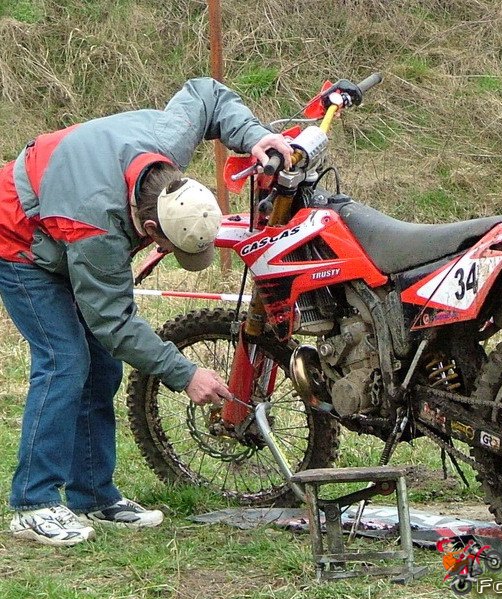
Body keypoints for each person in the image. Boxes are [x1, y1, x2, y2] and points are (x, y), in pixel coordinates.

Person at [0, 77, 294, 547]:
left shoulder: (168, 143)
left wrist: (255, 136)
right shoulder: (97, 227)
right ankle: (33, 503)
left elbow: (207, 94)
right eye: (170, 247)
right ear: (151, 226)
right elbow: (113, 322)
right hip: (19, 240)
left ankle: (92, 494)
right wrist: (185, 374)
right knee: (65, 360)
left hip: (62, 216)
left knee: (103, 366)